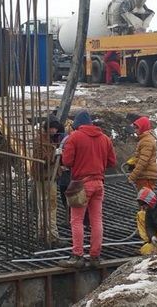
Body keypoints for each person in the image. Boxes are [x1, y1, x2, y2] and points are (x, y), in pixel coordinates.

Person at [58, 110, 117, 268]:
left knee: (76, 220)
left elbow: (67, 161)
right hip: (99, 183)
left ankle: (77, 256)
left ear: (77, 125)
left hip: (81, 184)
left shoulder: (74, 137)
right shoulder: (105, 138)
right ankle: (95, 256)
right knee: (96, 220)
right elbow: (112, 162)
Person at [32, 117, 67, 246]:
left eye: (56, 128)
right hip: (44, 177)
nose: (54, 130)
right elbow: (42, 159)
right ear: (47, 127)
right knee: (50, 206)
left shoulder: (51, 139)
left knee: (44, 205)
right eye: (52, 128)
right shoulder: (41, 140)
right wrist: (55, 155)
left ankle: (42, 231)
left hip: (48, 176)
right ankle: (52, 235)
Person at [127, 116, 157, 191]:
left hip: (147, 176)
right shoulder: (145, 139)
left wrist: (132, 177)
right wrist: (134, 161)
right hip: (146, 175)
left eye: (137, 128)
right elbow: (143, 157)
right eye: (135, 128)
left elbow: (143, 162)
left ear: (143, 128)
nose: (135, 130)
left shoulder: (147, 141)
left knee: (145, 200)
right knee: (144, 199)